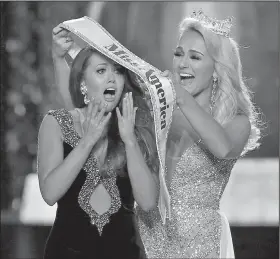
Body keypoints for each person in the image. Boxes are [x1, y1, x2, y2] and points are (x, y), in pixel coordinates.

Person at [136, 10, 262, 258]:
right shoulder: (159, 116)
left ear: (216, 69)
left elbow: (223, 147)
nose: (182, 63)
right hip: (144, 238)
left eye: (195, 57)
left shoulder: (236, 123)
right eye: (179, 54)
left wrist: (180, 97)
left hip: (197, 245)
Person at [37, 26, 160, 259]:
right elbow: (50, 193)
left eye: (118, 71)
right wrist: (86, 142)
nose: (113, 78)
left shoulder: (135, 127)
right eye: (101, 71)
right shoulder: (56, 123)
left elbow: (147, 202)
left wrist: (130, 141)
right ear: (83, 82)